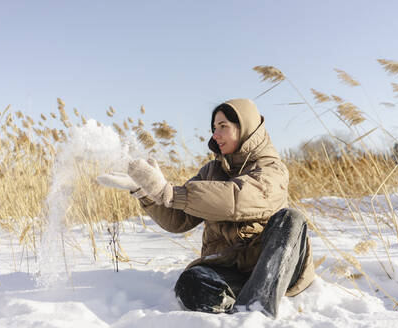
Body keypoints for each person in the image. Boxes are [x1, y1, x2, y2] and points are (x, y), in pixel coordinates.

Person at [97, 98, 314, 318]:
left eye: (223, 127)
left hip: (274, 268)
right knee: (191, 283)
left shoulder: (271, 168)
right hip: (228, 269)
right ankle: (242, 298)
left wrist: (169, 191)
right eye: (213, 128)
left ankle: (257, 308)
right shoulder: (211, 170)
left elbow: (236, 199)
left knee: (291, 219)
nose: (215, 135)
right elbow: (177, 220)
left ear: (246, 127)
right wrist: (144, 191)